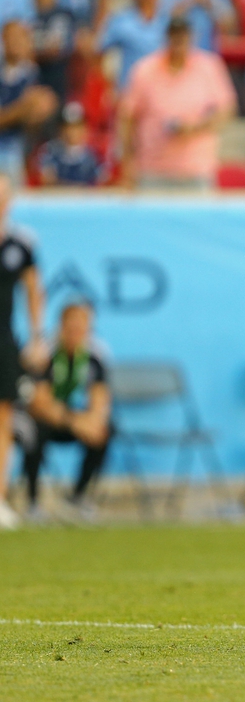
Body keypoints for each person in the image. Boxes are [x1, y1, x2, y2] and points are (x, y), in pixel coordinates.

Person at [116, 15, 235, 189]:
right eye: (175, 36)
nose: (179, 41)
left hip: (196, 168)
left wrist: (195, 127)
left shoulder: (208, 67)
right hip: (153, 168)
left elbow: (225, 111)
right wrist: (127, 163)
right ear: (167, 38)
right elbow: (127, 117)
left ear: (191, 37)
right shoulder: (146, 69)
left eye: (183, 36)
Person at [20, 300, 111, 520]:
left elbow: (100, 398)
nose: (76, 333)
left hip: (70, 419)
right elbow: (40, 404)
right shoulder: (44, 353)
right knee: (35, 430)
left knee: (105, 430)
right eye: (71, 327)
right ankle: (33, 502)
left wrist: (93, 420)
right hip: (43, 418)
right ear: (61, 326)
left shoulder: (95, 355)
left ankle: (78, 497)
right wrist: (74, 421)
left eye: (82, 327)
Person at [0, 173, 46, 529]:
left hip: (4, 339)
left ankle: (0, 497)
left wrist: (37, 336)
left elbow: (33, 290)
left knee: (3, 420)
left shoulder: (22, 242)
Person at [0, 19, 57, 182]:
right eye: (9, 38)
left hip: (16, 153)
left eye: (19, 37)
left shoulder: (32, 74)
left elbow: (34, 121)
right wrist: (22, 109)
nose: (14, 43)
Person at [97, 0, 165, 89]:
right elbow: (98, 53)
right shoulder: (120, 20)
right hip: (130, 95)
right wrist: (109, 85)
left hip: (161, 94)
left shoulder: (169, 21)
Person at [158, 0, 234, 53]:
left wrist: (210, 3)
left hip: (208, 52)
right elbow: (161, 19)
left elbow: (229, 25)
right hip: (178, 52)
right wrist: (191, 0)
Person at [29, 0, 76, 103]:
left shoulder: (64, 14)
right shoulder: (22, 13)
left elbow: (57, 48)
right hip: (26, 89)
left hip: (57, 88)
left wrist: (30, 51)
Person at [36, 100, 100, 185]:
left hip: (88, 198)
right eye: (68, 127)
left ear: (85, 128)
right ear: (60, 129)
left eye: (76, 126)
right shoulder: (50, 151)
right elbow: (47, 181)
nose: (72, 132)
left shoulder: (94, 155)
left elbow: (101, 184)